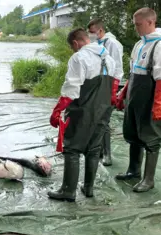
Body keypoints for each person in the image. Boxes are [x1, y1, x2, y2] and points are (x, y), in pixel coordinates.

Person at [115, 7, 161, 193]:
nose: (136, 28)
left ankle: (148, 179)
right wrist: (123, 94)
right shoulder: (139, 45)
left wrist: (159, 104)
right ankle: (133, 170)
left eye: (139, 24)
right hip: (135, 95)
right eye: (135, 25)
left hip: (151, 96)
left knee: (151, 136)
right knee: (133, 132)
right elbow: (134, 72)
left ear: (150, 22)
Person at [48, 28, 116, 202]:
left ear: (76, 43)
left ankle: (68, 191)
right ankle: (88, 188)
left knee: (72, 149)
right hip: (103, 110)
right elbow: (113, 85)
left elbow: (71, 89)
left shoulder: (79, 58)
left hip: (82, 110)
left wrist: (57, 111)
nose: (73, 50)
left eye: (73, 47)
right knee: (93, 150)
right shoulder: (109, 59)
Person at [87, 18, 124, 166]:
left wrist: (113, 89)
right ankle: (99, 150)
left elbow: (118, 68)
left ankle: (107, 154)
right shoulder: (96, 44)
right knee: (95, 118)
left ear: (100, 31)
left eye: (92, 32)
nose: (90, 35)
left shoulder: (113, 44)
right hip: (97, 82)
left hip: (108, 84)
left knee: (104, 120)